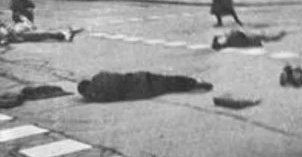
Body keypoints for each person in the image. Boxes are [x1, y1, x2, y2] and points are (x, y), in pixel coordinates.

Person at [77, 71, 213, 102]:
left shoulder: (97, 97)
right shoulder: (99, 76)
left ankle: (192, 85)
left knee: (169, 87)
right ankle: (194, 82)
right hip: (140, 78)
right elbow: (115, 76)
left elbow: (112, 97)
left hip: (141, 93)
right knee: (169, 80)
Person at [0, 20, 84, 45]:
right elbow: (10, 35)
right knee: (43, 34)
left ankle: (66, 35)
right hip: (20, 34)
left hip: (19, 33)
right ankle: (66, 35)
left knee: (43, 34)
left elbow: (8, 29)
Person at [211, 29, 287, 50]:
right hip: (251, 40)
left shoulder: (229, 43)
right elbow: (240, 34)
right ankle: (280, 35)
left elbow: (240, 34)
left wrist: (217, 38)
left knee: (266, 38)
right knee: (267, 37)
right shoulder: (230, 40)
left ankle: (279, 36)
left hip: (250, 41)